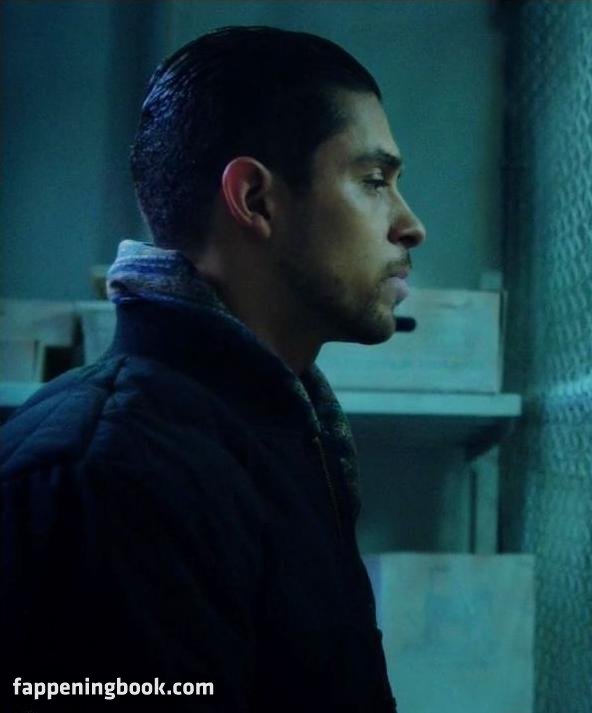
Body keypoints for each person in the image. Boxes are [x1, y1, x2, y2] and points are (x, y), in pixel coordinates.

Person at [0, 26, 425, 712]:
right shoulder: (106, 473)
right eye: (374, 181)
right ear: (255, 199)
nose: (410, 225)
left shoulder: (273, 431)